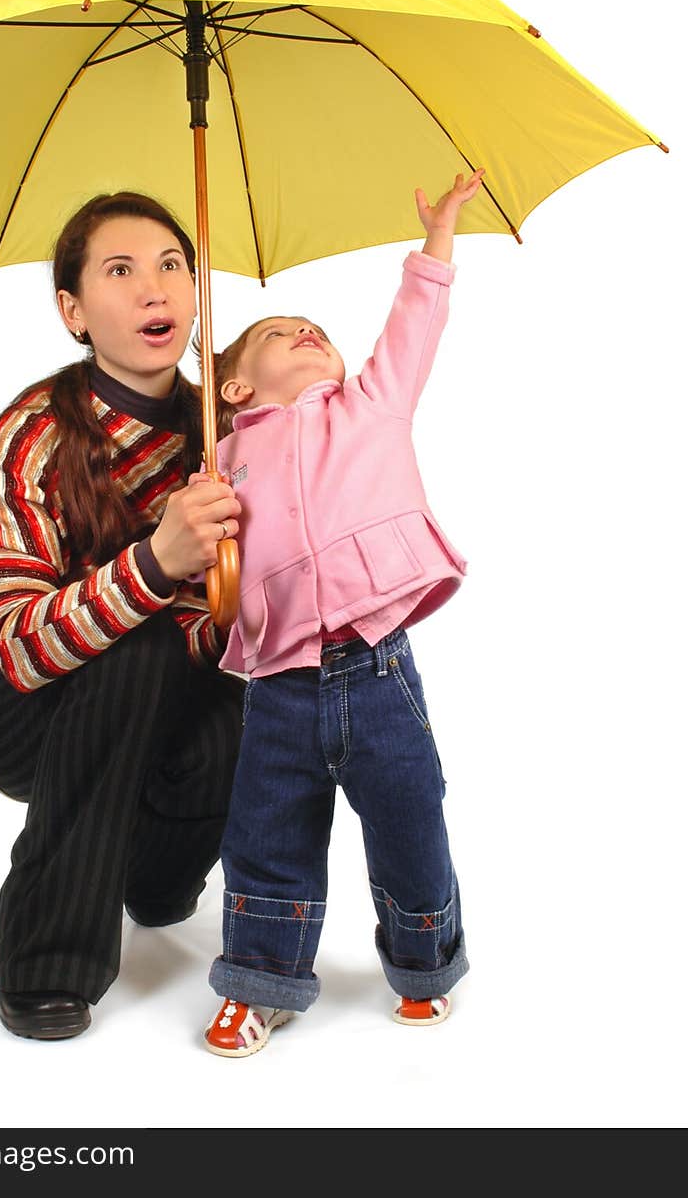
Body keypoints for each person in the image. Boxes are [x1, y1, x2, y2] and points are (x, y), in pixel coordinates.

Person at [201, 170, 485, 1057]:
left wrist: (436, 242)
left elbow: (414, 329)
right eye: (281, 335)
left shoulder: (369, 404)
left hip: (377, 663)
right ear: (235, 387)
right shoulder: (221, 459)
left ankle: (424, 960)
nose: (306, 332)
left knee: (410, 813)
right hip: (278, 682)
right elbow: (206, 564)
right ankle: (261, 977)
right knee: (264, 831)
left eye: (315, 328)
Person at [0, 191, 244, 1040]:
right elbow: (22, 647)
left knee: (250, 701)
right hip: (17, 703)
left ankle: (156, 875)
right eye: (121, 271)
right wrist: (158, 561)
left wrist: (227, 602)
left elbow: (220, 632)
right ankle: (47, 961)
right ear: (72, 309)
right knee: (136, 648)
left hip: (163, 688)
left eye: (171, 266)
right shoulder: (32, 431)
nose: (155, 290)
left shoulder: (222, 430)